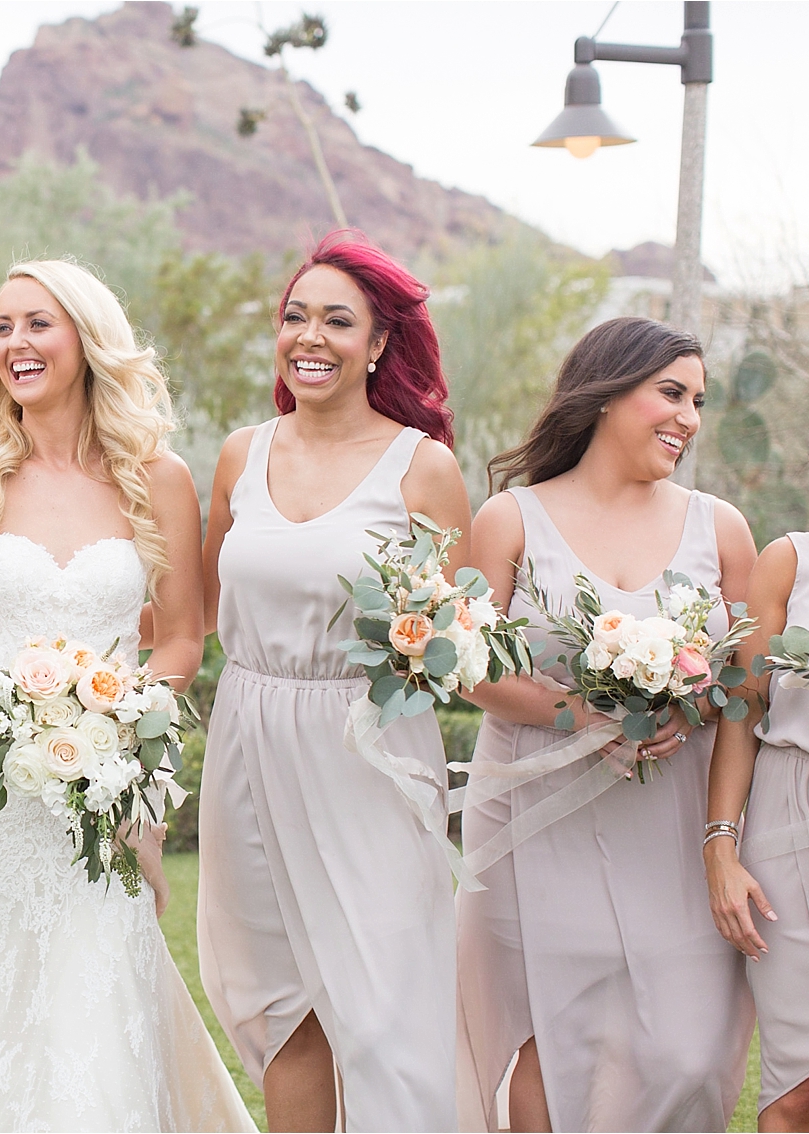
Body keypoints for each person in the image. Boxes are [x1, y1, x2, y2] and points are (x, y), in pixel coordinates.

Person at [0, 260, 254, 1132]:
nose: (16, 343)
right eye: (3, 327)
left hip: (103, 784)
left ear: (87, 340)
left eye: (38, 324)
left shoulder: (158, 477)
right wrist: (17, 716)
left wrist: (112, 720)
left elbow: (180, 635)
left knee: (93, 984)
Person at [196, 231, 470, 1132]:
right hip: (250, 736)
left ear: (379, 343)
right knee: (285, 1007)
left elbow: (456, 642)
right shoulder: (241, 455)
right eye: (295, 317)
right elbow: (201, 608)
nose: (309, 338)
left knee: (386, 1008)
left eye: (337, 322)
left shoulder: (422, 468)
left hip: (369, 749)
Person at [456, 317, 758, 1132]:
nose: (689, 417)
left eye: (697, 400)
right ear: (604, 394)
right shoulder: (511, 518)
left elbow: (743, 678)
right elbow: (474, 668)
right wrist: (583, 713)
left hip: (671, 816)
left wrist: (687, 703)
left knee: (687, 1054)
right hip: (534, 810)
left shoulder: (720, 526)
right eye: (671, 393)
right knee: (549, 1043)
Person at [704, 366, 809, 1133]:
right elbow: (741, 712)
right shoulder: (790, 560)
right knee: (802, 1083)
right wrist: (721, 848)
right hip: (795, 821)